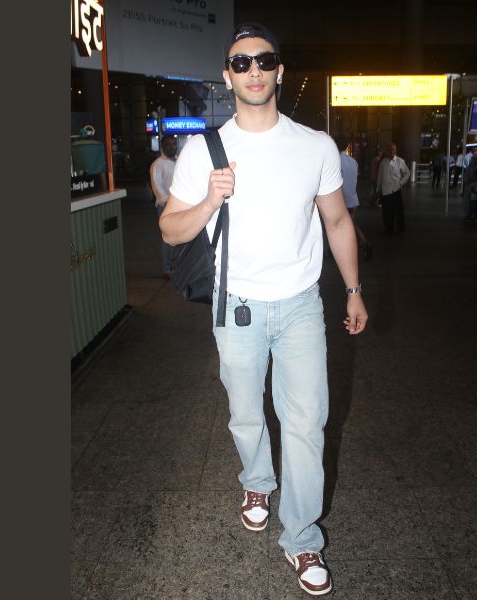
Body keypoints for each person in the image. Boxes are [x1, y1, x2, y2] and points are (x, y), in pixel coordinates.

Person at [159, 21, 368, 597]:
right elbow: (171, 230)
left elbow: (337, 221)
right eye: (241, 62)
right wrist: (209, 199)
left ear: (279, 70)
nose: (253, 70)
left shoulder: (314, 146)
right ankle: (256, 479)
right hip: (237, 307)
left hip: (301, 306)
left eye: (264, 60)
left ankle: (301, 537)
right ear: (227, 77)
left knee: (306, 422)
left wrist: (353, 288)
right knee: (246, 413)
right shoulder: (203, 150)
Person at [335, 134, 373, 261]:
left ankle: (363, 244)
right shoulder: (353, 162)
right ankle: (360, 245)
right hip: (352, 199)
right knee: (350, 224)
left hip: (341, 200)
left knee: (345, 226)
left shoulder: (336, 161)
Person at [149, 135, 178, 278]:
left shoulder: (179, 161)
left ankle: (178, 266)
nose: (172, 147)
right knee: (168, 238)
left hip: (181, 204)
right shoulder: (158, 164)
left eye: (174, 144)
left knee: (181, 236)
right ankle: (167, 269)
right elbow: (157, 187)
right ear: (162, 146)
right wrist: (169, 202)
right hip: (165, 205)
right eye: (168, 144)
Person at [375, 142, 410, 233]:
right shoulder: (383, 162)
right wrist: (378, 188)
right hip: (385, 191)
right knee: (386, 211)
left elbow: (407, 173)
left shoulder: (400, 161)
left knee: (398, 211)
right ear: (387, 151)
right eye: (390, 149)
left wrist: (401, 182)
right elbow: (380, 176)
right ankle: (388, 228)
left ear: (396, 150)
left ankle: (400, 228)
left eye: (393, 149)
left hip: (395, 190)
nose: (391, 151)